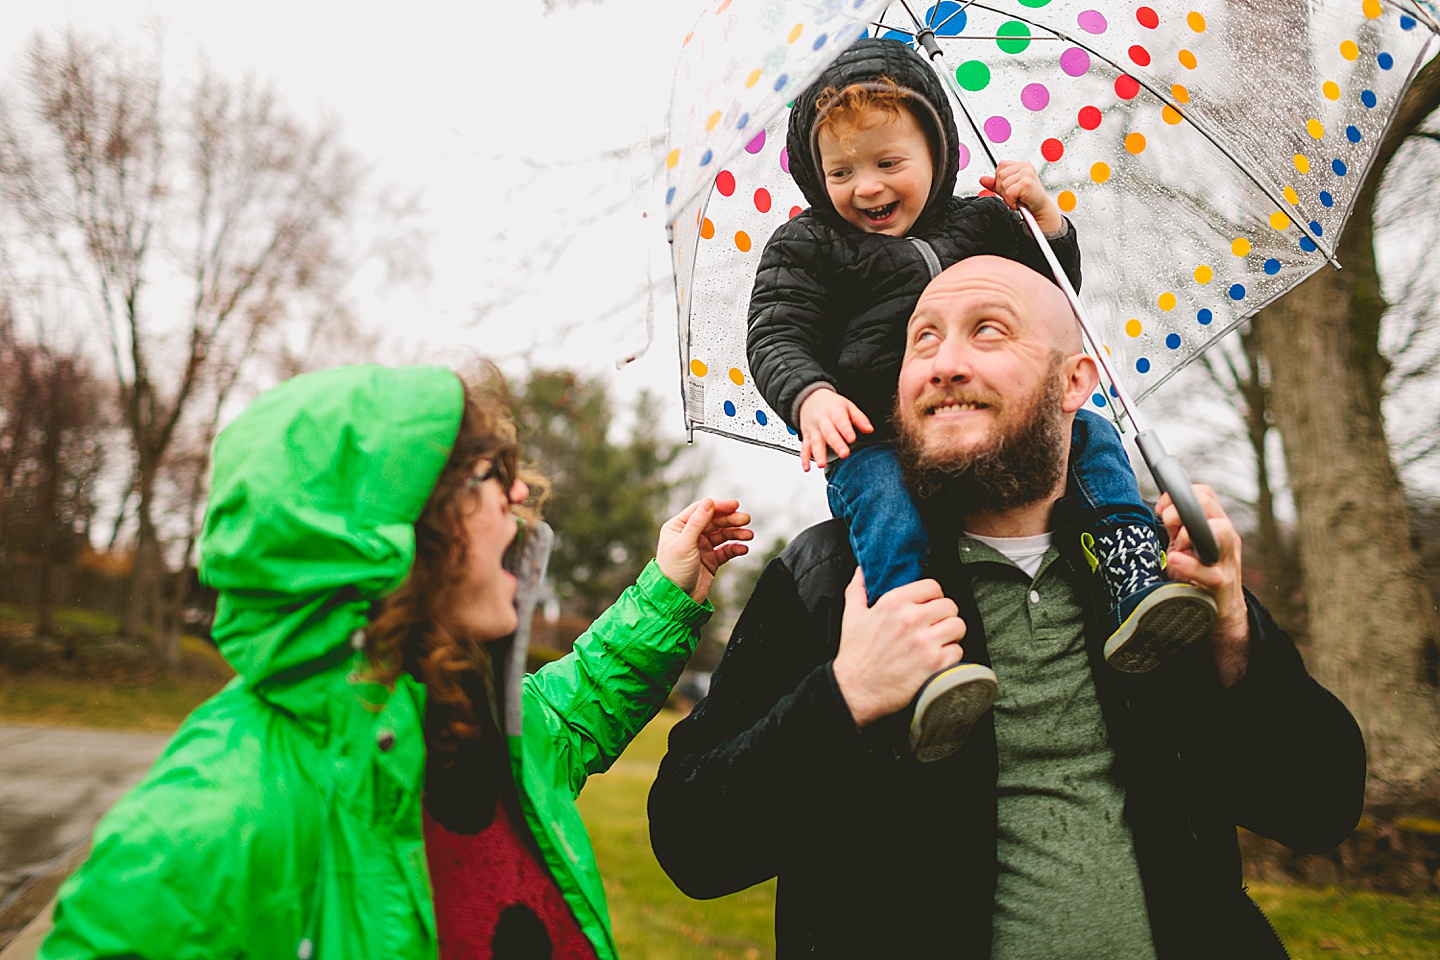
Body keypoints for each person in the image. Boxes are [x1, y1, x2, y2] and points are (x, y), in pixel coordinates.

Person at [650, 257, 1366, 958]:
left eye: (987, 331)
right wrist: (845, 697)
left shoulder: (1148, 577)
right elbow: (693, 845)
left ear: (1075, 380)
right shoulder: (834, 577)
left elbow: (1318, 807)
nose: (943, 363)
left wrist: (1237, 632)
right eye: (921, 338)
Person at [39, 364, 752, 960]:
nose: (522, 494)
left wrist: (666, 591)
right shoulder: (204, 822)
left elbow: (568, 714)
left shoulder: (465, 718)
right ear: (382, 532)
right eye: (487, 473)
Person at [746, 38, 1215, 762]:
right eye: (839, 171)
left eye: (887, 163)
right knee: (884, 504)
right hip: (875, 431)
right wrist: (810, 396)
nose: (865, 188)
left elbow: (1056, 305)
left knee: (1089, 435)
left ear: (938, 151)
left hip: (992, 417)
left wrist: (1045, 221)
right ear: (814, 173)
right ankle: (920, 648)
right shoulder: (808, 245)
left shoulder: (985, 222)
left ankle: (1129, 573)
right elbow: (776, 333)